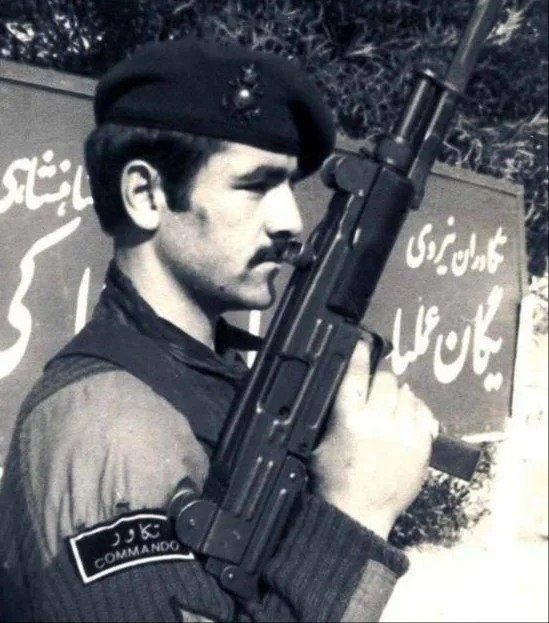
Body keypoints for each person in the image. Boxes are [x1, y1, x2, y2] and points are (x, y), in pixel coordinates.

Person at [0, 37, 435, 622]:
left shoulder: (201, 378)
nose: (291, 220)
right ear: (145, 195)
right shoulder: (109, 430)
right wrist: (356, 513)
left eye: (289, 186)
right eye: (254, 185)